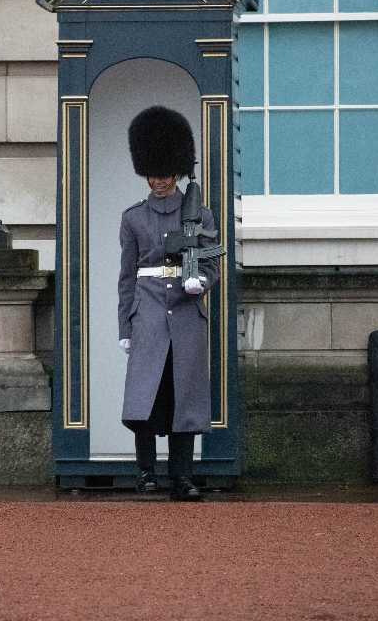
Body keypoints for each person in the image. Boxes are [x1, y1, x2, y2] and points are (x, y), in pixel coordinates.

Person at [118, 105, 220, 501]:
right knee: (146, 395)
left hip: (186, 317)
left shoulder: (199, 214)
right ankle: (145, 471)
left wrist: (199, 282)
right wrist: (125, 327)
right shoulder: (134, 219)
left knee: (185, 399)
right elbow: (127, 276)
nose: (159, 181)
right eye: (153, 174)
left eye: (164, 173)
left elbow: (210, 259)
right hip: (147, 315)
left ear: (176, 172)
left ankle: (183, 477)